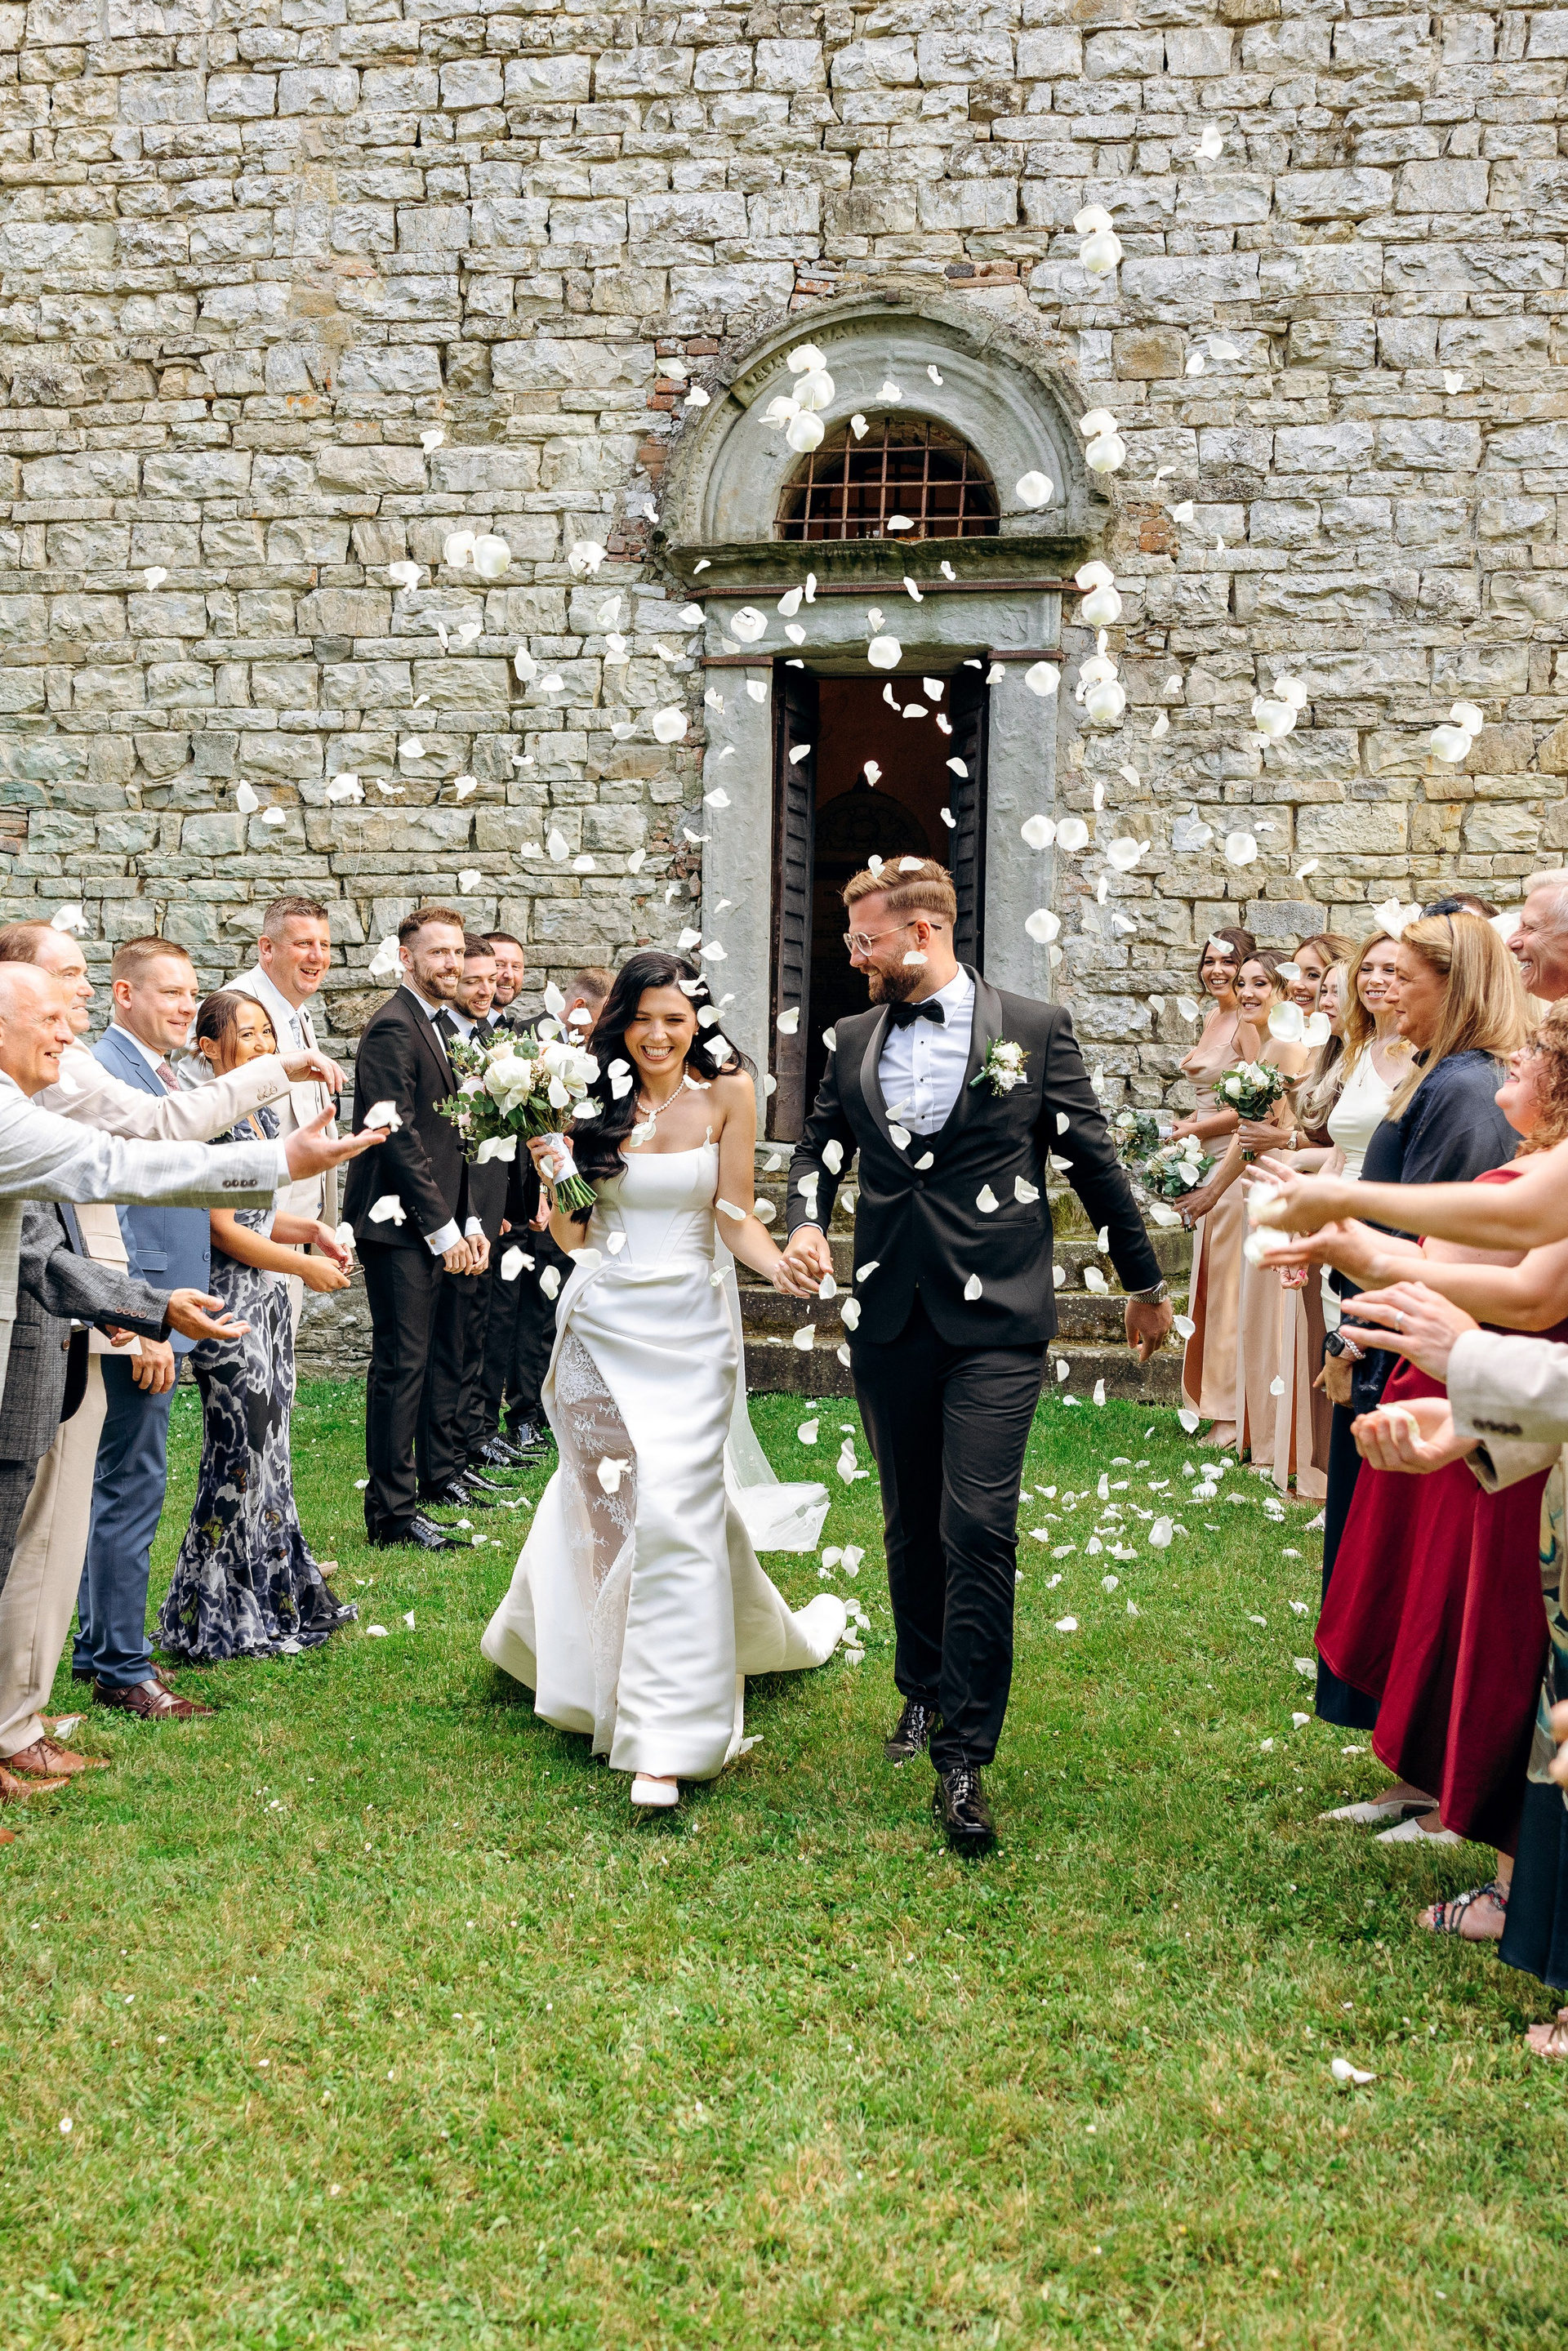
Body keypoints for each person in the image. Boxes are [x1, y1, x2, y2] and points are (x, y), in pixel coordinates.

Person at [777, 859, 1172, 1851]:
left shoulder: (1033, 1029)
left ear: (922, 932)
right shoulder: (851, 1037)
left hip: (997, 1316)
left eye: (865, 939)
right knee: (911, 1518)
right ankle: (920, 1687)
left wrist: (1142, 1280)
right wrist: (805, 1220)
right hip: (889, 1312)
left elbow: (1091, 1158)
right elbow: (820, 1145)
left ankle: (964, 1754)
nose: (853, 956)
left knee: (979, 1525)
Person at [481, 951, 847, 1811]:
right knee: (609, 1505)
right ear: (621, 1020)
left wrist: (778, 1265)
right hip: (601, 1327)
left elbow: (733, 1214)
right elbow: (573, 1237)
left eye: (674, 1019)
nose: (657, 1035)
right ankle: (582, 1668)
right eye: (643, 1018)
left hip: (691, 1332)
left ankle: (669, 1738)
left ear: (698, 1022)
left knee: (677, 1508)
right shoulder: (585, 1098)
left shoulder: (729, 1092)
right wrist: (555, 1171)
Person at [0, 957, 377, 1722]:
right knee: (97, 1503)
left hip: (128, 1311)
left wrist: (152, 1306)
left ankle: (45, 1701)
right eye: (52, 1012)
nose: (69, 1029)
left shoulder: (79, 1083)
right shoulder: (40, 1100)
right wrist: (277, 1161)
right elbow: (122, 1167)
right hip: (74, 1336)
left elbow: (43, 1250)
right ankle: (98, 1670)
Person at [1268, 1017, 1568, 1871]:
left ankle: (1497, 1851)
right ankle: (1495, 1859)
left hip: (1508, 1383)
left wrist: (1363, 1238)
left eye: (1541, 1051)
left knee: (1489, 1616)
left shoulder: (1509, 1134)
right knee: (1449, 1599)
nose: (1517, 1058)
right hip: (1497, 1397)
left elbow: (1530, 1284)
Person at [0, 1202, 250, 1805]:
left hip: (79, 1324)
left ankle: (21, 1708)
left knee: (58, 1531)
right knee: (52, 1532)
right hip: (59, 1326)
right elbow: (52, 1236)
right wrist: (142, 1312)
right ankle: (35, 1710)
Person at [156, 993, 358, 1665]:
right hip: (226, 1306)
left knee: (273, 1453)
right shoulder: (209, 1118)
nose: (265, 1043)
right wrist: (303, 1265)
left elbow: (259, 1218)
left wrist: (314, 1231)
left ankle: (272, 1595)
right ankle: (212, 1613)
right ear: (209, 1047)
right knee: (237, 1456)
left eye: (267, 1031)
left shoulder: (260, 1116)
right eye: (248, 1033)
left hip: (267, 1302)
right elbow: (222, 1231)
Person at [343, 907, 485, 1552]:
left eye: (456, 952)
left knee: (422, 1362)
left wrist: (467, 1218)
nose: (451, 963)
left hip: (430, 1221)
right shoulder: (393, 1027)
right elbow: (397, 1137)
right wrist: (442, 1230)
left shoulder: (436, 1025)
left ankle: (413, 1496)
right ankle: (392, 1516)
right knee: (400, 1367)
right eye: (438, 953)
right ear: (406, 958)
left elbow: (450, 1136)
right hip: (395, 1227)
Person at [1171, 950, 1308, 1466]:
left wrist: (1210, 1184)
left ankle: (1239, 1416)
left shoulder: (1284, 1048)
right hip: (1239, 1168)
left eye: (1260, 984)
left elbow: (1254, 1127)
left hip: (1260, 1175)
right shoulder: (1263, 1040)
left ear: (1282, 992)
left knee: (1241, 1295)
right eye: (1243, 982)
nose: (1247, 992)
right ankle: (1239, 1414)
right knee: (1232, 1291)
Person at [479, 962, 613, 1456]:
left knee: (550, 1308)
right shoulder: (523, 1044)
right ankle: (517, 1416)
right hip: (529, 1201)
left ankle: (537, 1413)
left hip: (571, 1195)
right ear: (578, 1008)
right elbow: (510, 1131)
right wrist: (536, 1189)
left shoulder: (596, 1050)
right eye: (605, 1015)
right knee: (523, 1312)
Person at [229, 898, 340, 1346]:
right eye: (303, 944)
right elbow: (216, 1114)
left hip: (291, 1227)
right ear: (266, 948)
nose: (317, 956)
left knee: (279, 1363)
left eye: (324, 945)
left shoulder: (296, 1010)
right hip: (252, 1233)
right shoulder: (235, 1009)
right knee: (254, 1365)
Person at [437, 937, 520, 1485]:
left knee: (478, 1334)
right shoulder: (440, 1040)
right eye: (475, 980)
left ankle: (467, 1444)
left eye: (492, 979)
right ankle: (447, 1457)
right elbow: (447, 1144)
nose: (488, 989)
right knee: (453, 1342)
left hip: (489, 1211)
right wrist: (465, 1214)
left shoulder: (491, 1037)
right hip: (452, 1213)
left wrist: (506, 1206)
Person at [1174, 927, 1254, 1447]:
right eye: (1209, 961)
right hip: (1203, 1156)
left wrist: (1194, 1130)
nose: (1216, 971)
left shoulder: (1248, 1025)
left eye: (1228, 962)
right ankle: (1213, 1401)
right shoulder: (1211, 1018)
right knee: (1209, 1278)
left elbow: (1255, 1106)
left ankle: (1230, 1414)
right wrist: (1185, 1134)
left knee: (1228, 1284)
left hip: (1234, 1161)